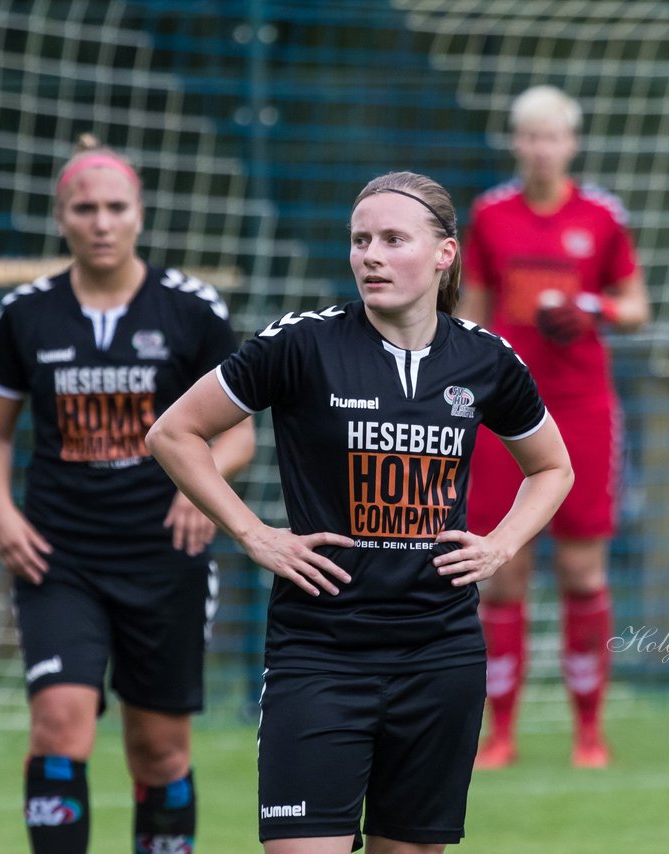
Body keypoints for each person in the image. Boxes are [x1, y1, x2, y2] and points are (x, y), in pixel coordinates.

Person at [146, 171, 574, 853]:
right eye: (360, 240)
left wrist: (501, 546)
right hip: (320, 654)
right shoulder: (301, 344)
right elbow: (173, 432)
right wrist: (254, 535)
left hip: (440, 655)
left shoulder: (485, 358)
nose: (370, 255)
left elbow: (553, 467)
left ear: (444, 254)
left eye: (392, 239)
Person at [0, 134, 255, 854]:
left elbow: (241, 434)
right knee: (59, 721)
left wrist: (202, 486)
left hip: (165, 554)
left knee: (158, 751)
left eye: (115, 207)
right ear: (61, 217)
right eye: (85, 208)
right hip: (58, 554)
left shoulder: (191, 310)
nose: (101, 222)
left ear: (140, 216)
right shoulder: (25, 314)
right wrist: (2, 512)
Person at [456, 84, 651, 769]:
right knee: (499, 571)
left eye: (552, 136)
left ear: (571, 143)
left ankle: (589, 732)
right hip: (504, 412)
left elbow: (636, 305)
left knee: (580, 569)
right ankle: (498, 732)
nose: (540, 148)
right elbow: (473, 310)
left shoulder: (600, 216)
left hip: (581, 407)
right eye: (528, 136)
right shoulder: (489, 215)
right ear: (516, 142)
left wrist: (589, 305)